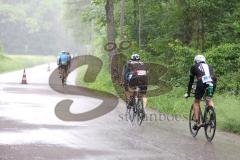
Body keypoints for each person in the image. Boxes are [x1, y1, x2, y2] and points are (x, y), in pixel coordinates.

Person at [184, 55, 217, 130]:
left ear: (195, 61)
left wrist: (188, 92)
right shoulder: (210, 66)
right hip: (213, 81)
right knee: (209, 98)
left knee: (196, 101)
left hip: (202, 81)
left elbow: (191, 81)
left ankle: (197, 122)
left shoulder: (194, 66)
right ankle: (212, 115)